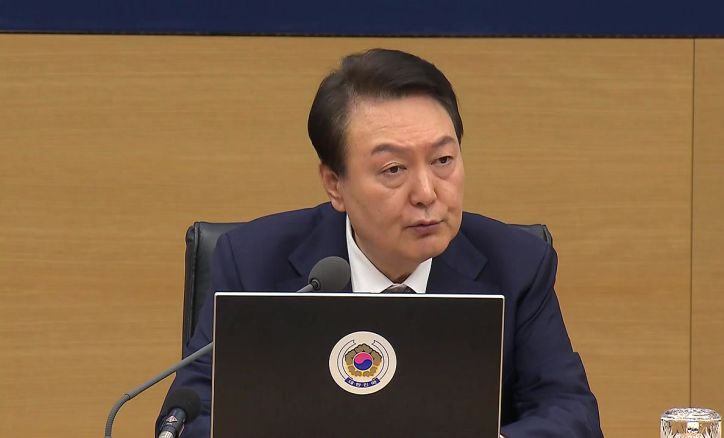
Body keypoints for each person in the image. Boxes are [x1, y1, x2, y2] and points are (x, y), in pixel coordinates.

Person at [159, 48, 603, 437]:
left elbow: (571, 413)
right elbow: (190, 417)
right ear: (335, 184)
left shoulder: (517, 265)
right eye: (394, 169)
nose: (427, 193)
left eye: (443, 160)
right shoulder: (254, 262)